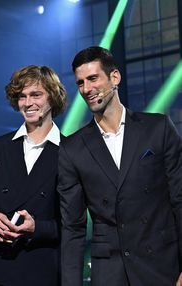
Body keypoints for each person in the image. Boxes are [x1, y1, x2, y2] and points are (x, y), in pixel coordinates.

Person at [57, 46, 182, 286]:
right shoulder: (72, 149)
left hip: (161, 266)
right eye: (81, 83)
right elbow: (72, 227)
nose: (87, 89)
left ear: (115, 77)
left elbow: (180, 199)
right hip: (110, 272)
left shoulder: (158, 128)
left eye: (93, 78)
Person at [0, 65, 67, 286]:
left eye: (36, 95)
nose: (28, 103)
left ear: (53, 97)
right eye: (22, 96)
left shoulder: (72, 151)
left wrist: (36, 228)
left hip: (39, 270)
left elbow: (75, 223)